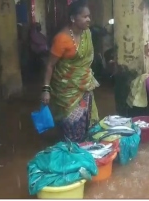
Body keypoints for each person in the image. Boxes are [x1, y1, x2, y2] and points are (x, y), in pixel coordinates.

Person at [40, 0, 99, 142]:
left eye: (89, 16)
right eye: (84, 17)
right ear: (73, 18)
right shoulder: (62, 39)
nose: (88, 19)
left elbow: (86, 60)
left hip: (84, 84)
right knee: (70, 126)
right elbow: (50, 65)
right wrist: (46, 89)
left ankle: (83, 151)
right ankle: (70, 153)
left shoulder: (87, 34)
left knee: (86, 123)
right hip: (66, 91)